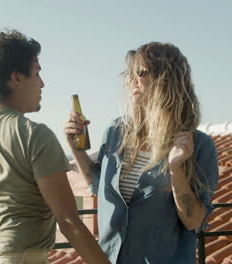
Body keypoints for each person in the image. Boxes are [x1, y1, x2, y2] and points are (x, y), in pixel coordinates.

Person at [0, 30, 110, 264]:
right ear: (16, 78)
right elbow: (69, 221)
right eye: (37, 73)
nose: (42, 83)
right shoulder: (35, 135)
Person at [64, 42, 219, 263]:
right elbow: (98, 185)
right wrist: (74, 146)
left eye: (140, 72)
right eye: (129, 74)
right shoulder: (116, 132)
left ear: (167, 78)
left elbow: (194, 221)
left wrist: (175, 168)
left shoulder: (199, 146)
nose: (131, 80)